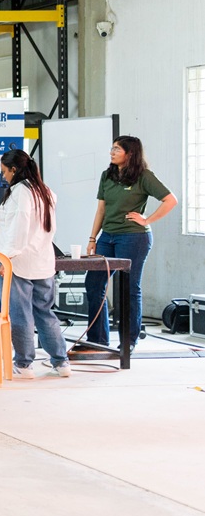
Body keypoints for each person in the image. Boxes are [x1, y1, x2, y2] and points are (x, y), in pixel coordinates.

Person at [78, 135, 177, 353]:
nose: (111, 152)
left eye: (117, 149)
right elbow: (101, 210)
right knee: (94, 283)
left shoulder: (144, 176)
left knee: (130, 287)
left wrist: (147, 220)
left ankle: (129, 340)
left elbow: (170, 200)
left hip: (133, 237)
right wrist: (93, 238)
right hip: (107, 236)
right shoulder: (107, 175)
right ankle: (97, 340)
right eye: (112, 148)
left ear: (130, 153)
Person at [0, 149, 71, 379]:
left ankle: (24, 365)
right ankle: (61, 362)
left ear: (14, 169)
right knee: (45, 313)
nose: (3, 176)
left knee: (21, 315)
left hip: (19, 263)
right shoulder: (44, 190)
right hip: (42, 262)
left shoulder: (20, 192)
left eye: (4, 171)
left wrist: (7, 258)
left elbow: (19, 229)